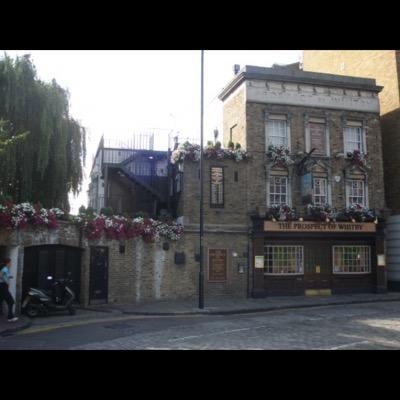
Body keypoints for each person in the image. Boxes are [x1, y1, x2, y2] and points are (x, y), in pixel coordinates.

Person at [0, 257, 18, 322]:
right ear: (8, 263)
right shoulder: (5, 268)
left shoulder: (6, 269)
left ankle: (10, 317)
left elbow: (3, 275)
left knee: (5, 301)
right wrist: (6, 281)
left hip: (3, 287)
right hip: (3, 287)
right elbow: (0, 275)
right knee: (11, 301)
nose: (11, 264)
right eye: (10, 262)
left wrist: (9, 277)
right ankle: (10, 317)